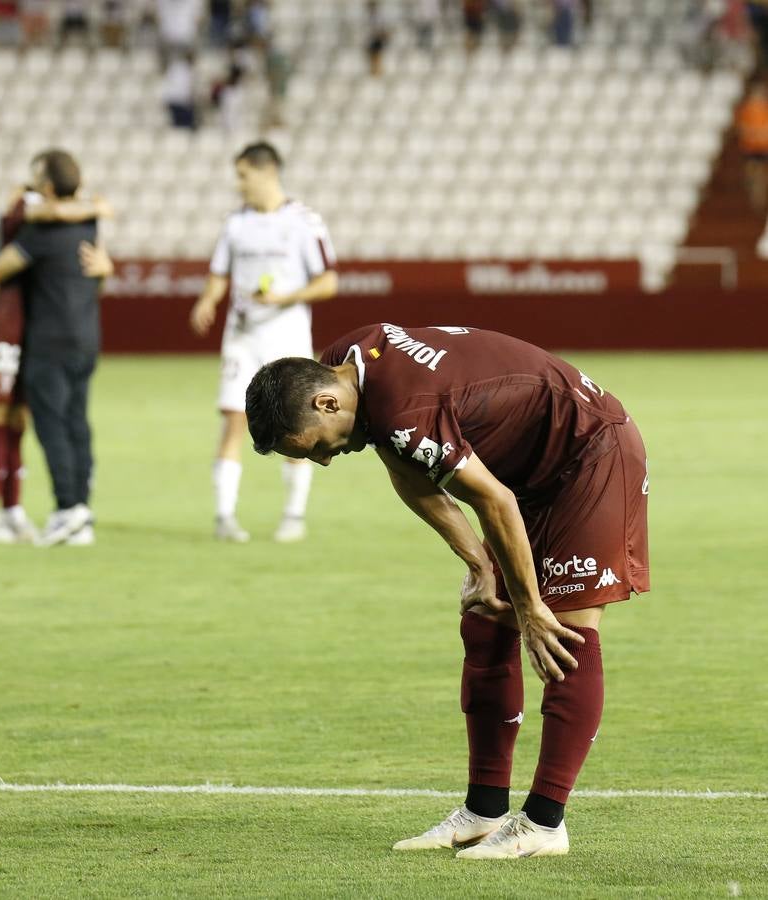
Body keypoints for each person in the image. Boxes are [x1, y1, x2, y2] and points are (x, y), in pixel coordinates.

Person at [244, 323, 650, 858]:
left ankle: (545, 823)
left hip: (590, 453)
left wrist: (531, 607)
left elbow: (494, 502)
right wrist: (478, 561)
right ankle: (484, 811)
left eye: (316, 446)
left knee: (562, 632)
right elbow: (407, 469)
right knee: (485, 621)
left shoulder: (401, 407)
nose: (322, 460)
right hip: (528, 470)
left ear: (325, 401)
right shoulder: (347, 359)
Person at [189, 142, 339, 543]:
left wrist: (283, 298)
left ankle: (293, 515)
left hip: (286, 338)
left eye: (243, 175)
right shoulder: (235, 222)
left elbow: (328, 281)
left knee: (297, 424)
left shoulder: (304, 222)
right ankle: (224, 517)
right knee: (233, 420)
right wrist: (207, 299)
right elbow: (220, 271)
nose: (239, 185)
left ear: (267, 171)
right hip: (241, 337)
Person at [0, 149, 114, 547]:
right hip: (86, 336)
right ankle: (82, 513)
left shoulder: (38, 233)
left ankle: (66, 509)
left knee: (52, 425)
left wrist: (5, 223)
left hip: (49, 339)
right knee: (77, 422)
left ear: (50, 187)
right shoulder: (89, 225)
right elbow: (95, 277)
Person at [736, 80, 768, 211]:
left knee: (762, 175)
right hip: (750, 149)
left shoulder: (766, 110)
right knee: (753, 174)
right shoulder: (746, 110)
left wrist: (757, 133)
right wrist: (757, 133)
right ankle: (756, 199)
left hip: (764, 148)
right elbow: (743, 129)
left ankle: (761, 198)